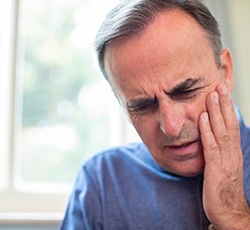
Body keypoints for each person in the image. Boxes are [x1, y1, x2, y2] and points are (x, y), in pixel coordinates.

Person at [60, 0, 250, 229]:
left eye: (186, 91)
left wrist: (234, 216)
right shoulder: (100, 183)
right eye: (142, 105)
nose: (171, 126)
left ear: (226, 73)